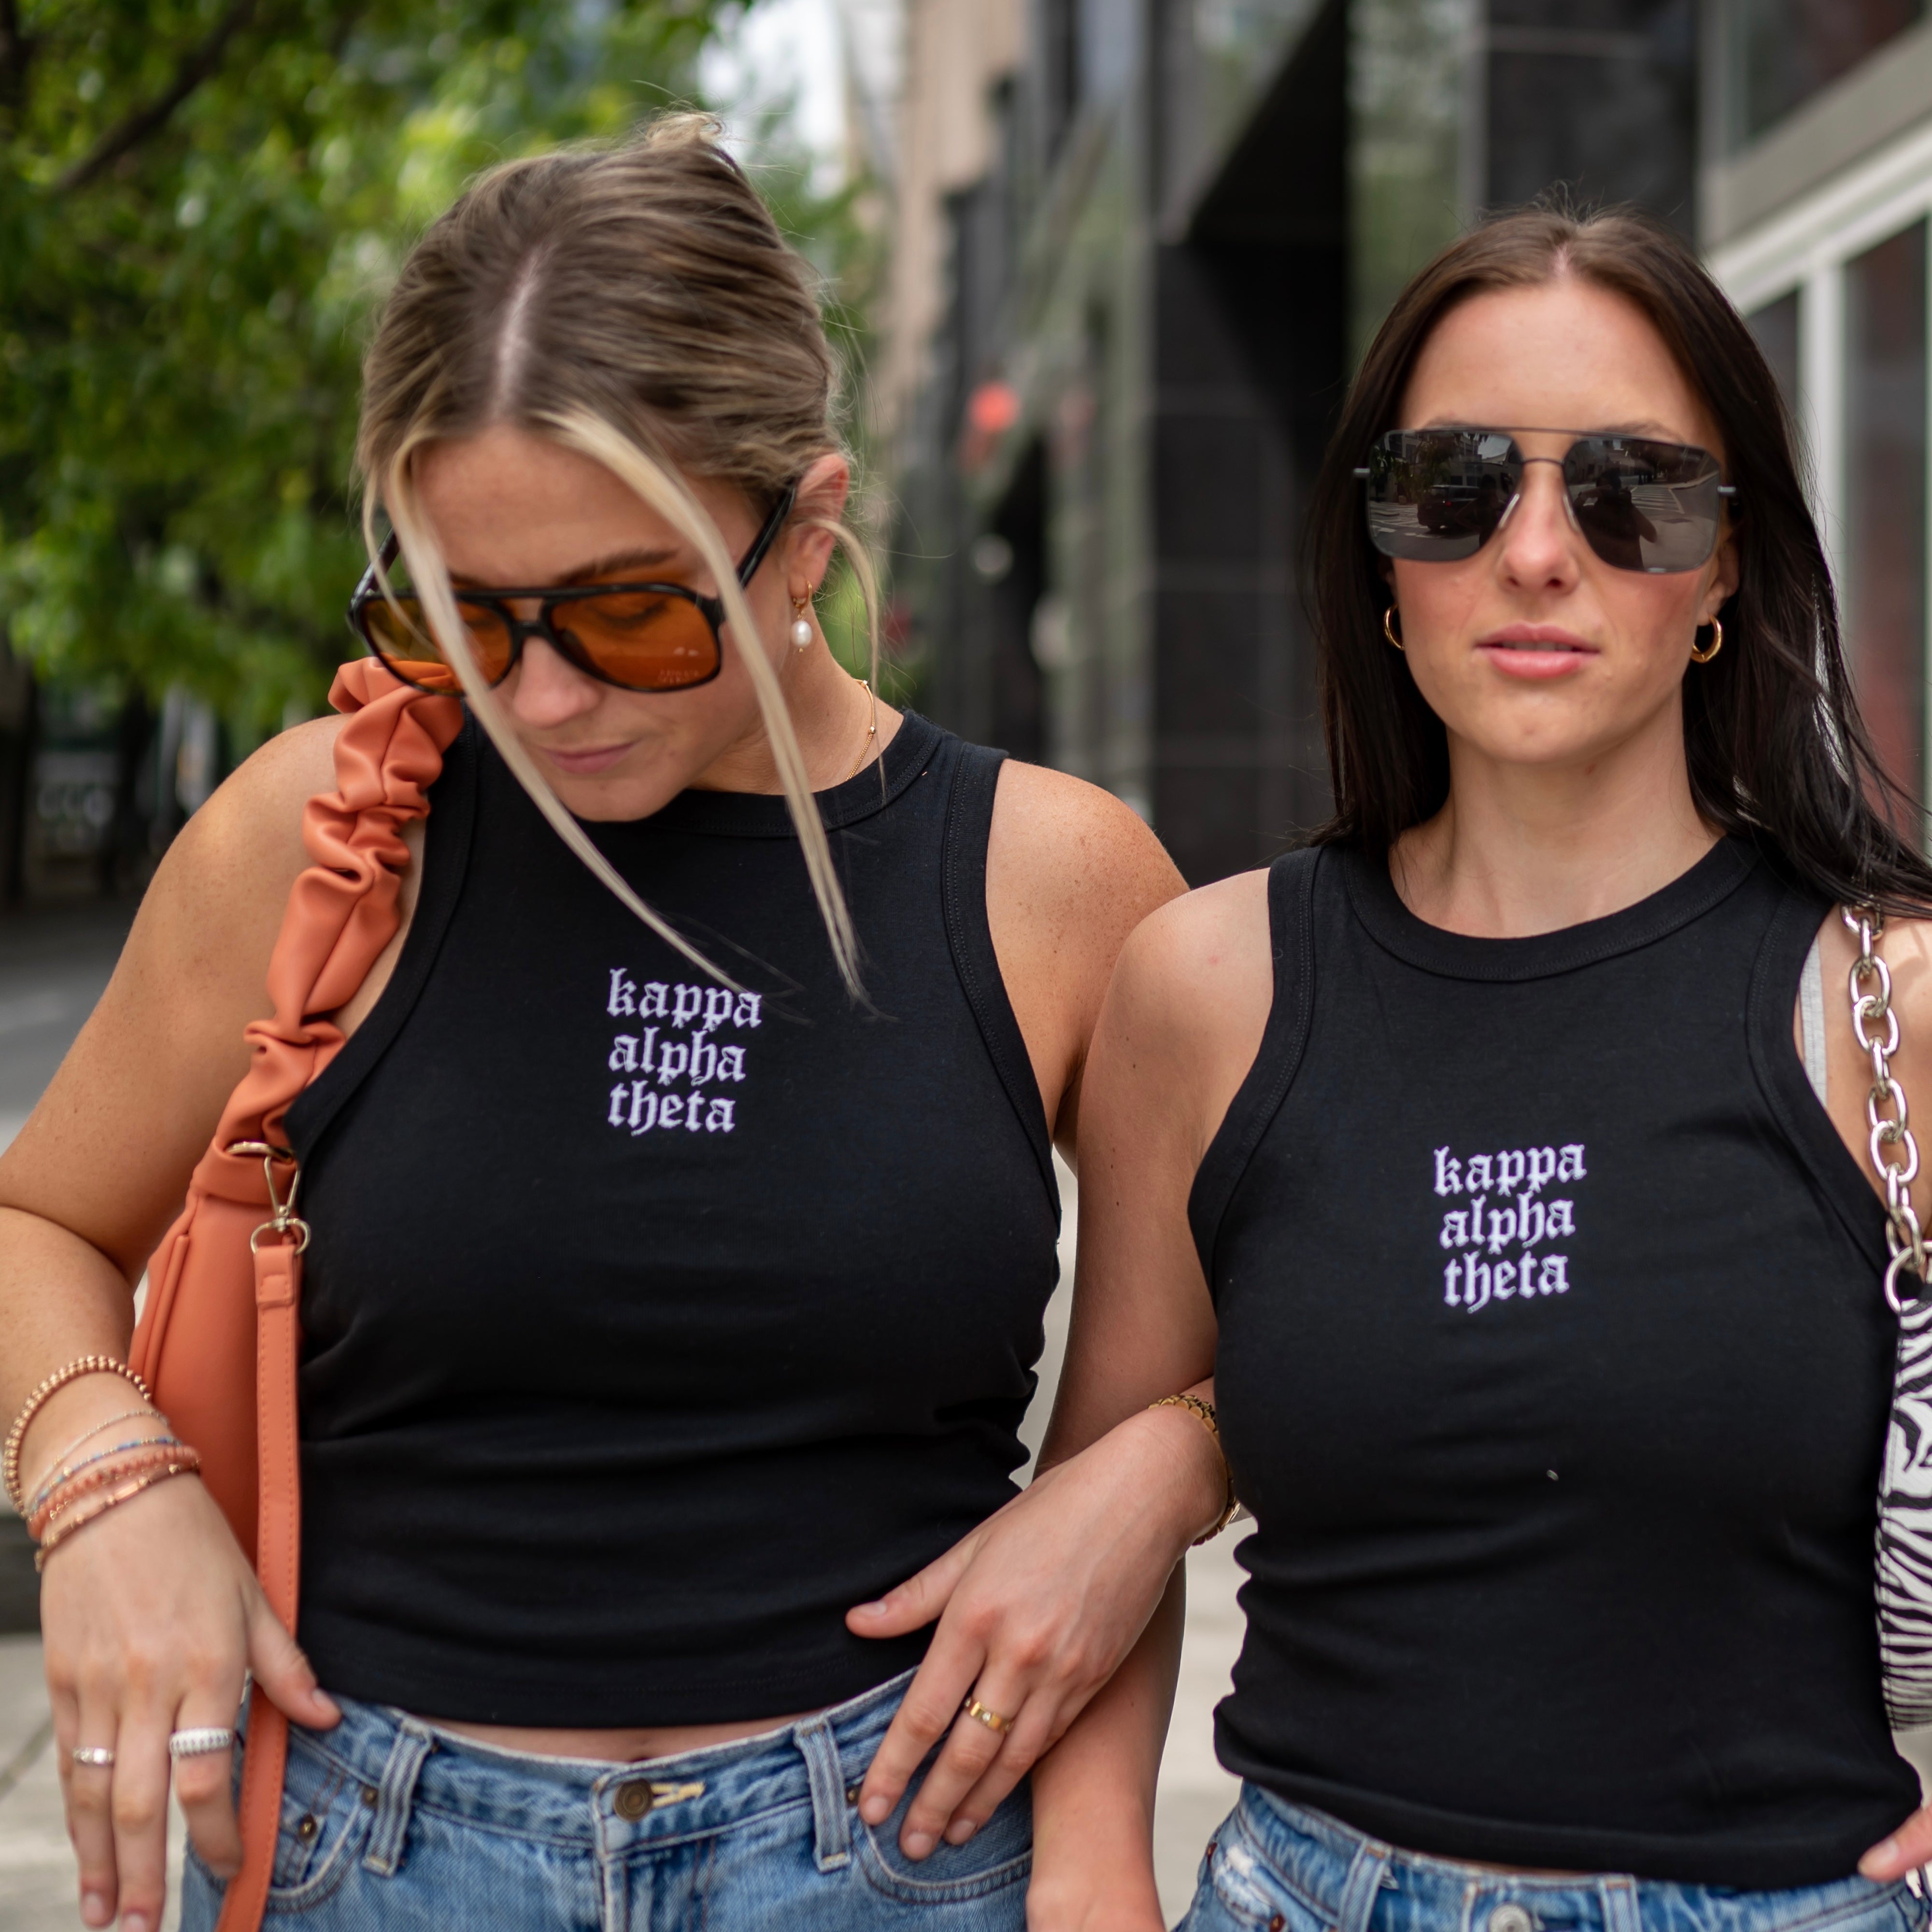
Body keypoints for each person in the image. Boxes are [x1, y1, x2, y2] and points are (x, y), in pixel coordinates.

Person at [0, 118, 1189, 1932]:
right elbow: (40, 1222)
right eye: (460, 615)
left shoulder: (1055, 882)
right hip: (374, 1853)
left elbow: (1297, 1304)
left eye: (630, 614)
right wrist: (105, 1482)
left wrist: (1161, 1485)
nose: (539, 697)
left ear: (807, 527)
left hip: (891, 1856)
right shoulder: (324, 835)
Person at [849, 203, 1932, 1932]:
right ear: (1376, 553)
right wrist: (1087, 1885)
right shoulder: (1210, 984)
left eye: (1633, 490)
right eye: (1457, 484)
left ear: (1727, 562)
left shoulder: (1888, 1005)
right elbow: (1099, 1526)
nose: (1536, 552)